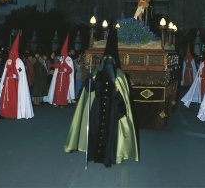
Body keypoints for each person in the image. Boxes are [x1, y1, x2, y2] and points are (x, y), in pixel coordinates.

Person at [64, 27, 138, 167]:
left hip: (113, 108)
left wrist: (121, 108)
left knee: (110, 133)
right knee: (95, 130)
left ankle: (109, 157)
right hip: (97, 107)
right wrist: (89, 82)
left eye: (110, 58)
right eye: (106, 58)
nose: (108, 60)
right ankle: (93, 155)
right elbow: (87, 91)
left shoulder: (120, 76)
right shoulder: (95, 74)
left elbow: (124, 95)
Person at [0, 33, 34, 119]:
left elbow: (21, 71)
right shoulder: (8, 61)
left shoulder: (19, 61)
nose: (11, 54)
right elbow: (5, 71)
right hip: (7, 83)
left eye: (12, 53)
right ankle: (2, 112)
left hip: (14, 84)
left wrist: (16, 74)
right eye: (10, 53)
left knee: (13, 98)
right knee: (4, 98)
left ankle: (13, 112)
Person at [47, 34, 75, 108]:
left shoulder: (69, 59)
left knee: (63, 90)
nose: (62, 55)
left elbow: (70, 70)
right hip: (59, 75)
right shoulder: (59, 58)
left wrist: (65, 64)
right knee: (57, 89)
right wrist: (60, 62)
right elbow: (55, 65)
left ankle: (62, 103)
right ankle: (56, 102)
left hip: (65, 77)